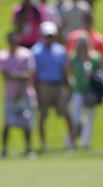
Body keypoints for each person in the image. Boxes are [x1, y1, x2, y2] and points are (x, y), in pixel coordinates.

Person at [31, 21, 73, 152]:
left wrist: (69, 85)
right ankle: (44, 145)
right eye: (47, 35)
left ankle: (71, 143)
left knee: (66, 114)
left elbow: (65, 70)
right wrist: (35, 91)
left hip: (58, 86)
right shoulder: (36, 51)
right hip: (43, 86)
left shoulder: (60, 50)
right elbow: (34, 74)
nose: (50, 38)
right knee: (42, 117)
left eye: (52, 35)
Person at [0, 30, 36, 157]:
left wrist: (15, 76)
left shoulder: (26, 54)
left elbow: (29, 74)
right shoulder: (2, 55)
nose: (12, 42)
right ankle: (4, 150)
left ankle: (29, 149)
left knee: (27, 123)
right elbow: (4, 74)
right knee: (7, 124)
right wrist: (19, 75)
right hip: (10, 95)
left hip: (25, 94)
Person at [67, 34, 102, 148]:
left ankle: (85, 142)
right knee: (75, 117)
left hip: (90, 91)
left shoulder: (95, 57)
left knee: (89, 117)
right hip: (78, 90)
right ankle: (70, 141)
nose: (82, 47)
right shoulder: (74, 58)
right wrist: (71, 85)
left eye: (84, 44)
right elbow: (69, 73)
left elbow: (102, 73)